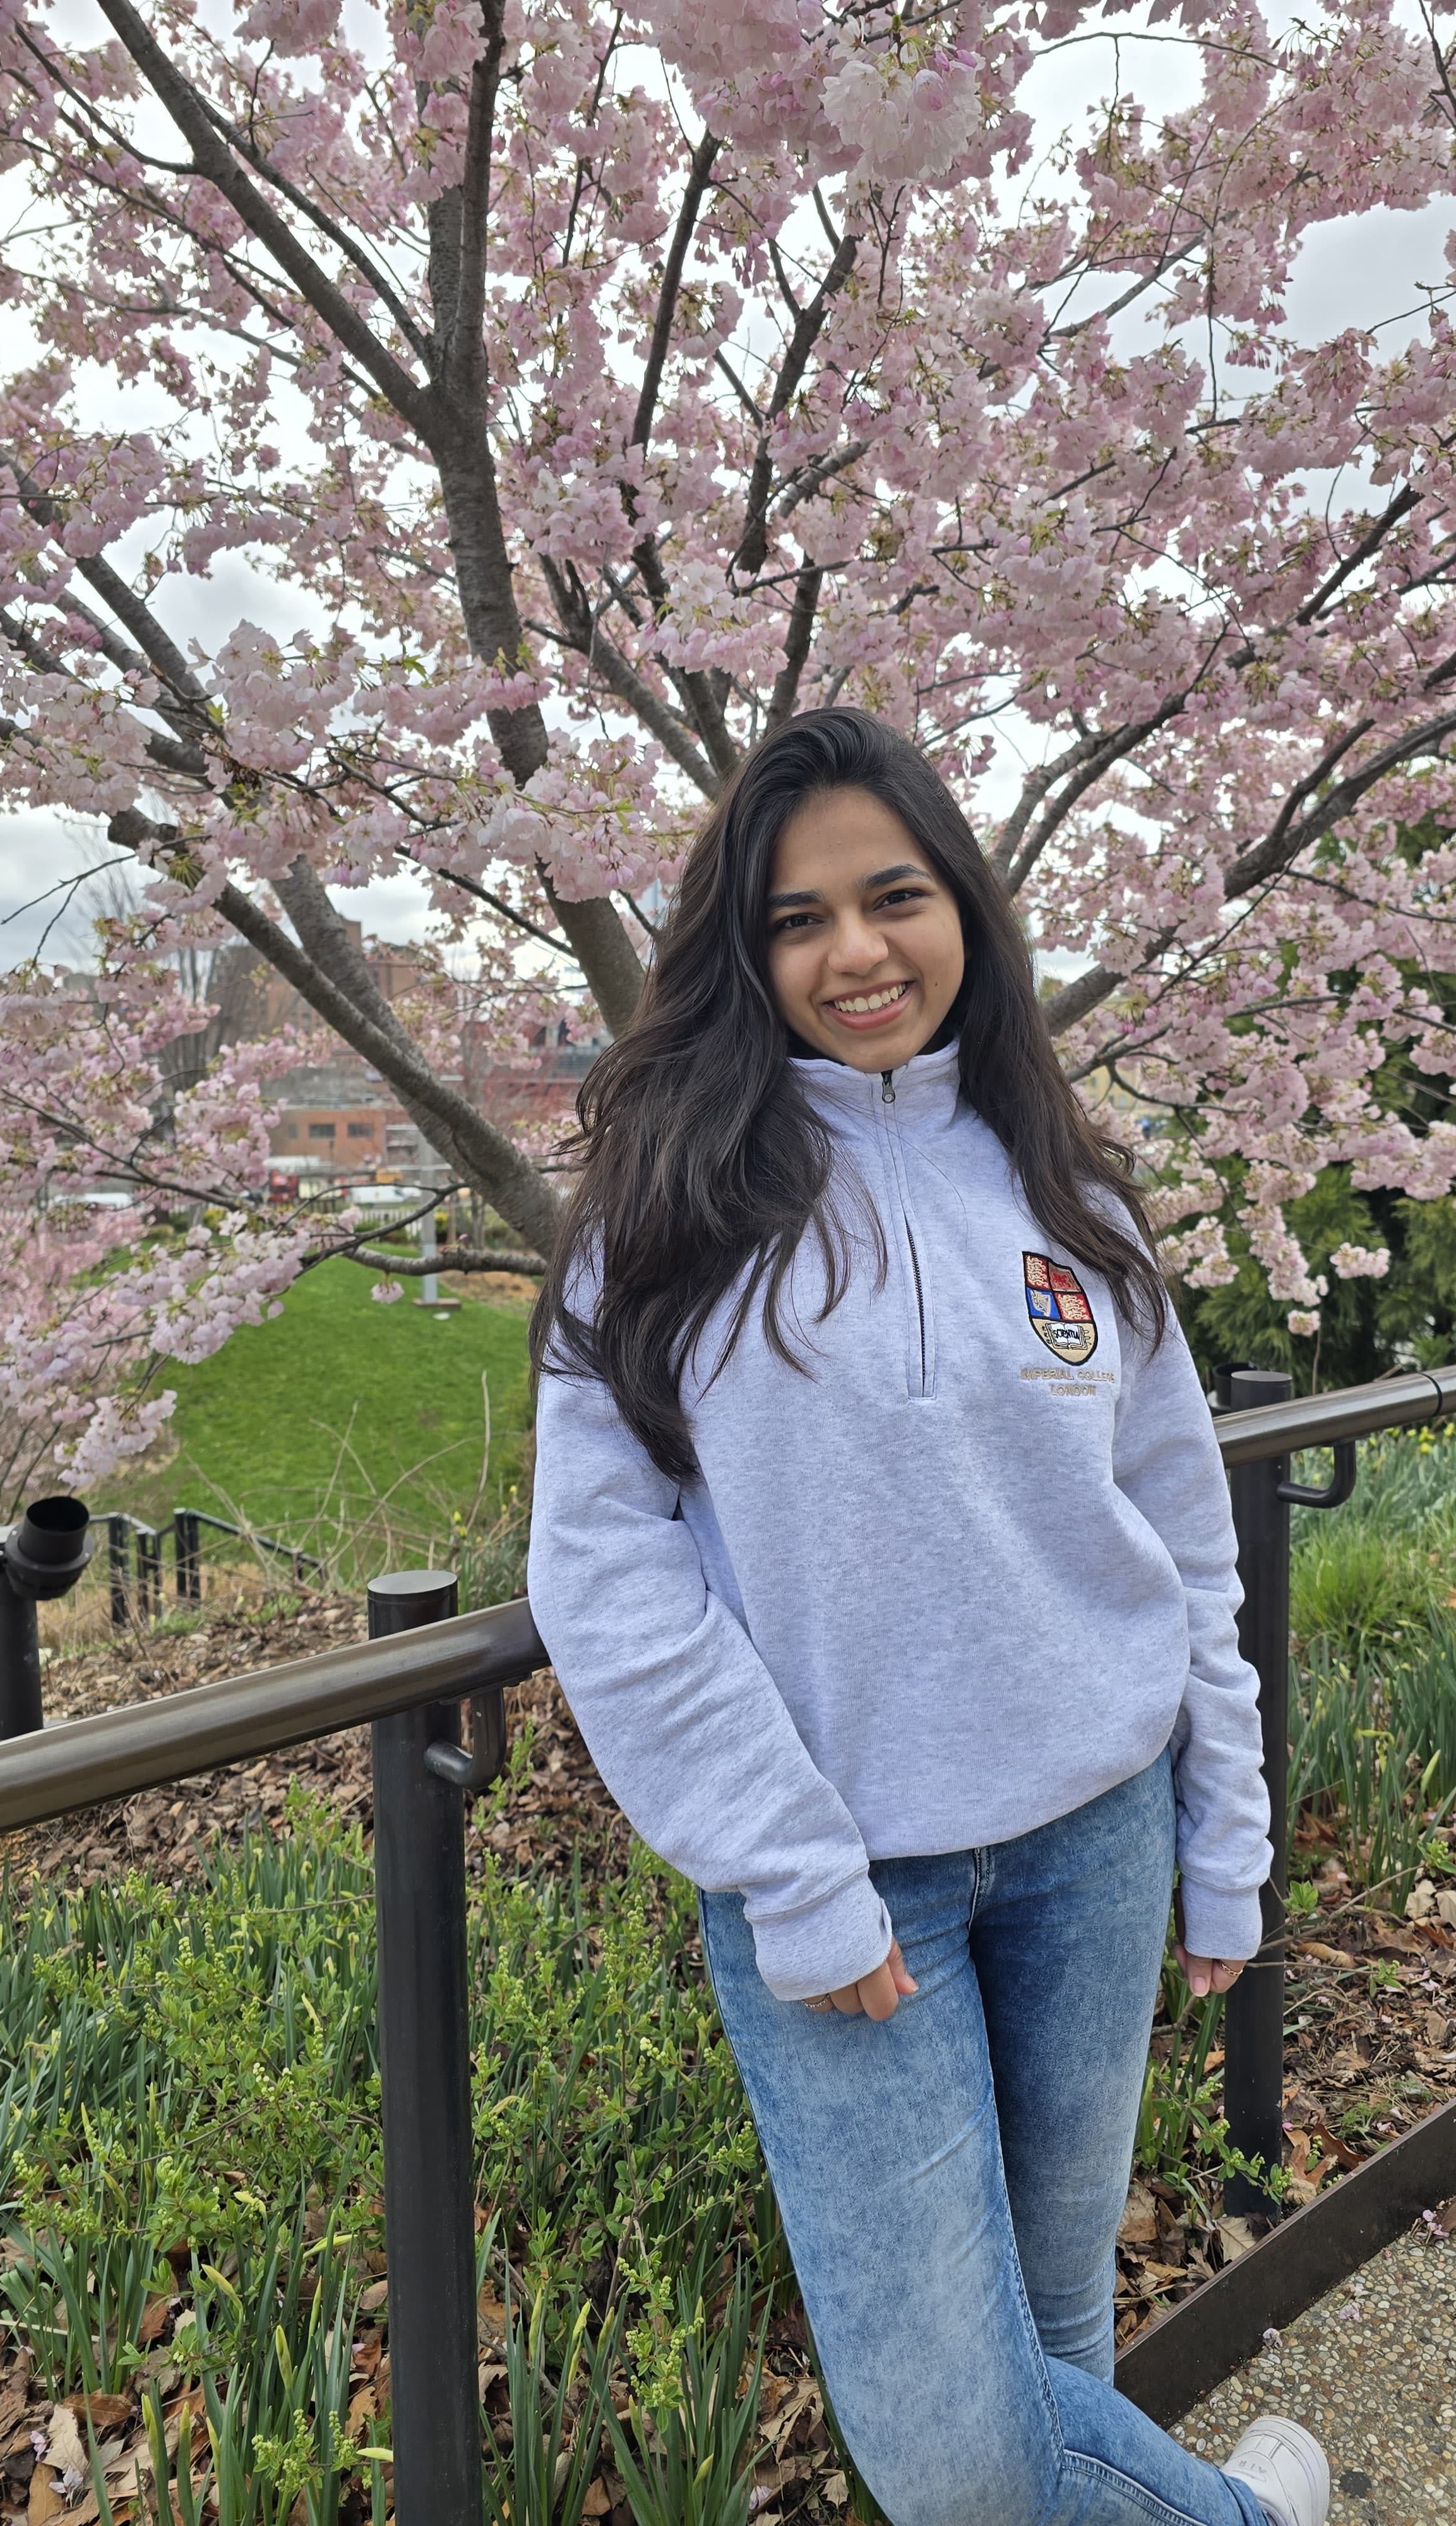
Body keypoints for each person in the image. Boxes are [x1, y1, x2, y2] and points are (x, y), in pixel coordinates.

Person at [527, 709, 1332, 2526]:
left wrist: (1227, 1831)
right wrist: (793, 1872)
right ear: (745, 951)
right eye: (799, 919)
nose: (856, 952)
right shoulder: (666, 1213)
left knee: (1052, 2345)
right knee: (962, 2456)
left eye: (893, 896)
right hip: (846, 1878)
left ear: (963, 903)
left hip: (1095, 1836)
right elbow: (606, 1571)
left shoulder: (1069, 1188)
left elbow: (1181, 1536)